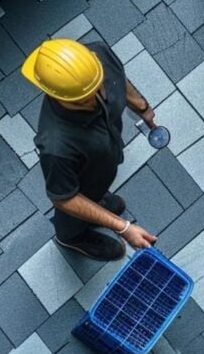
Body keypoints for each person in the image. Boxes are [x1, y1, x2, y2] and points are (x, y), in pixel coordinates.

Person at [21, 39, 157, 261]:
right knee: (72, 215)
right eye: (83, 100)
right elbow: (64, 198)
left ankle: (97, 202)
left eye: (99, 85)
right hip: (80, 183)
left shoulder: (96, 57)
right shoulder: (56, 146)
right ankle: (71, 238)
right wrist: (123, 228)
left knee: (98, 185)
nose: (99, 96)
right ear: (58, 96)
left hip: (102, 157)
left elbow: (120, 80)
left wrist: (142, 107)